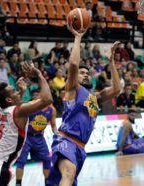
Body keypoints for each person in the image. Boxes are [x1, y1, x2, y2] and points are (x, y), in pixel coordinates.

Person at [46, 28, 121, 186]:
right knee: (69, 172)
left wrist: (112, 62)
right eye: (82, 72)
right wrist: (78, 37)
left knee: (63, 180)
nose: (85, 74)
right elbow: (73, 64)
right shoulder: (73, 88)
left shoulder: (95, 97)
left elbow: (116, 89)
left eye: (87, 72)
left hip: (80, 147)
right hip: (66, 139)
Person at [0, 62, 52, 186]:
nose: (17, 92)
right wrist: (39, 75)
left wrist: (20, 92)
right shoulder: (18, 111)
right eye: (14, 91)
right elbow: (47, 99)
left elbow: (14, 106)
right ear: (9, 99)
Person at [16, 89, 58, 186]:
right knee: (21, 161)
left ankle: (47, 183)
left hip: (39, 138)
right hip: (27, 137)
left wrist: (57, 134)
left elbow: (53, 126)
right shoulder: (31, 106)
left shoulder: (52, 110)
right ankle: (18, 184)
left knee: (47, 160)